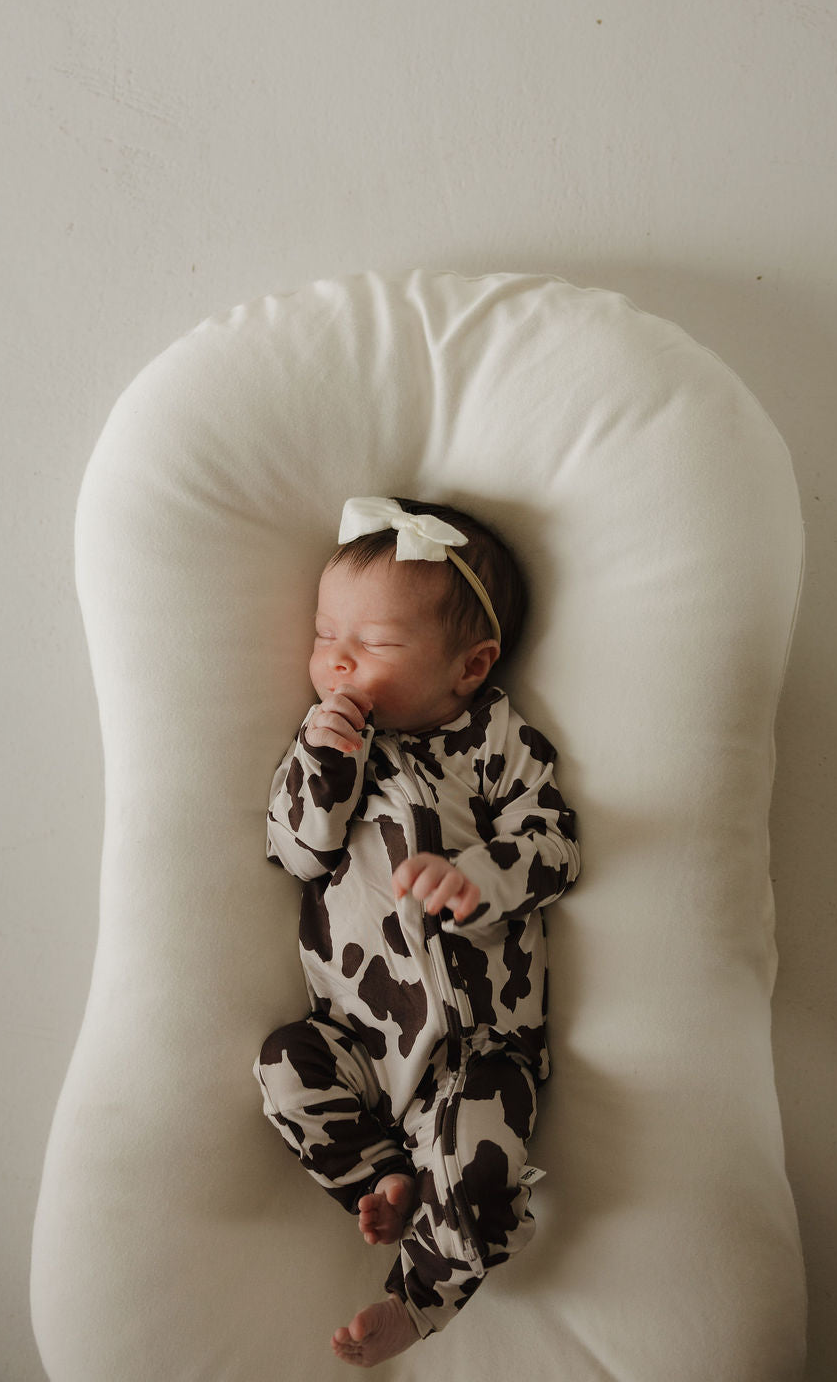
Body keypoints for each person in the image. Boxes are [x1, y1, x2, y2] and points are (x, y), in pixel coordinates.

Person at [254, 495, 580, 1368]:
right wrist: (325, 760)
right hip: (357, 1038)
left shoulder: (493, 740)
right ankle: (381, 1178)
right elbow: (294, 848)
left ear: (469, 666)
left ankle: (421, 1300)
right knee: (285, 1064)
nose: (338, 660)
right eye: (327, 635)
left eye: (376, 645)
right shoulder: (329, 745)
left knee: (480, 1163)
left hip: (479, 1050)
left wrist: (479, 878)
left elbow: (554, 846)